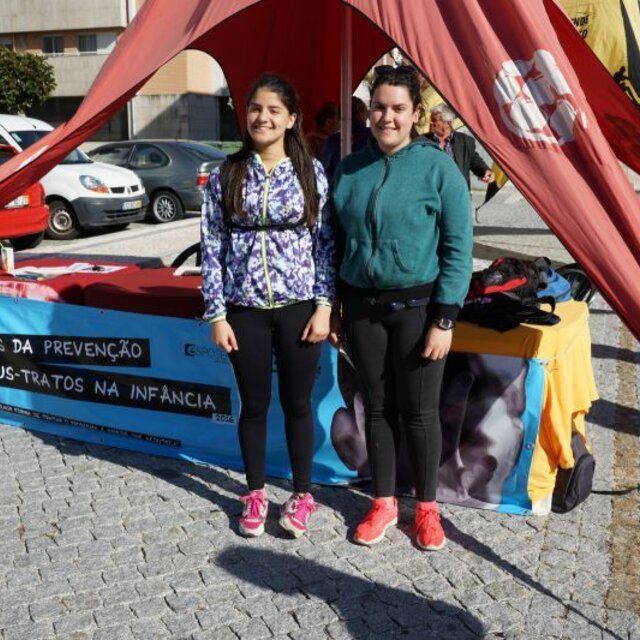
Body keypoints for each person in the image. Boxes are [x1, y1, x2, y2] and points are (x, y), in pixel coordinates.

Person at [330, 66, 473, 550]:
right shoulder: (350, 169)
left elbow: (458, 247)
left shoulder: (438, 168)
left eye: (397, 109)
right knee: (376, 409)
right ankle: (384, 502)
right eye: (379, 107)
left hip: (418, 309)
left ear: (415, 114)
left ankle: (427, 509)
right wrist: (334, 306)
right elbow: (334, 243)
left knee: (419, 412)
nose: (386, 117)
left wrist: (445, 317)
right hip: (362, 308)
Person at [200, 73, 335, 539]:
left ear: (291, 118)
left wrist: (324, 306)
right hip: (244, 309)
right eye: (256, 108)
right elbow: (211, 244)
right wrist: (217, 313)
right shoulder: (226, 174)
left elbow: (325, 244)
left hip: (299, 306)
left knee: (298, 403)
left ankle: (302, 494)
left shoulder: (310, 173)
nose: (263, 117)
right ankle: (255, 493)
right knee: (253, 404)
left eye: (274, 110)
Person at [428, 104, 495, 189]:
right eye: (431, 120)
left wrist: (485, 171)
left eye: (434, 120)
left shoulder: (465, 141)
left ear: (448, 123)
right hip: (434, 193)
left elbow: (473, 160)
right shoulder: (423, 142)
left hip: (459, 192)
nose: (430, 123)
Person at [320, 96, 370, 183]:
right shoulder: (375, 137)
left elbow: (323, 173)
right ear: (361, 114)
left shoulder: (332, 141)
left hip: (338, 187)